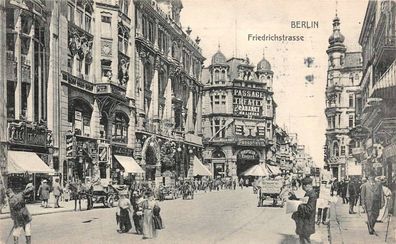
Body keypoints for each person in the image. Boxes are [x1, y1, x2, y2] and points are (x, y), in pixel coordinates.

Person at [291, 176, 318, 244]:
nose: (303, 188)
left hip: (307, 222)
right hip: (304, 222)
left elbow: (309, 209)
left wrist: (299, 205)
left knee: (305, 240)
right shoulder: (309, 193)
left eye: (303, 186)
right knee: (303, 239)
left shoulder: (312, 195)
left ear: (308, 185)